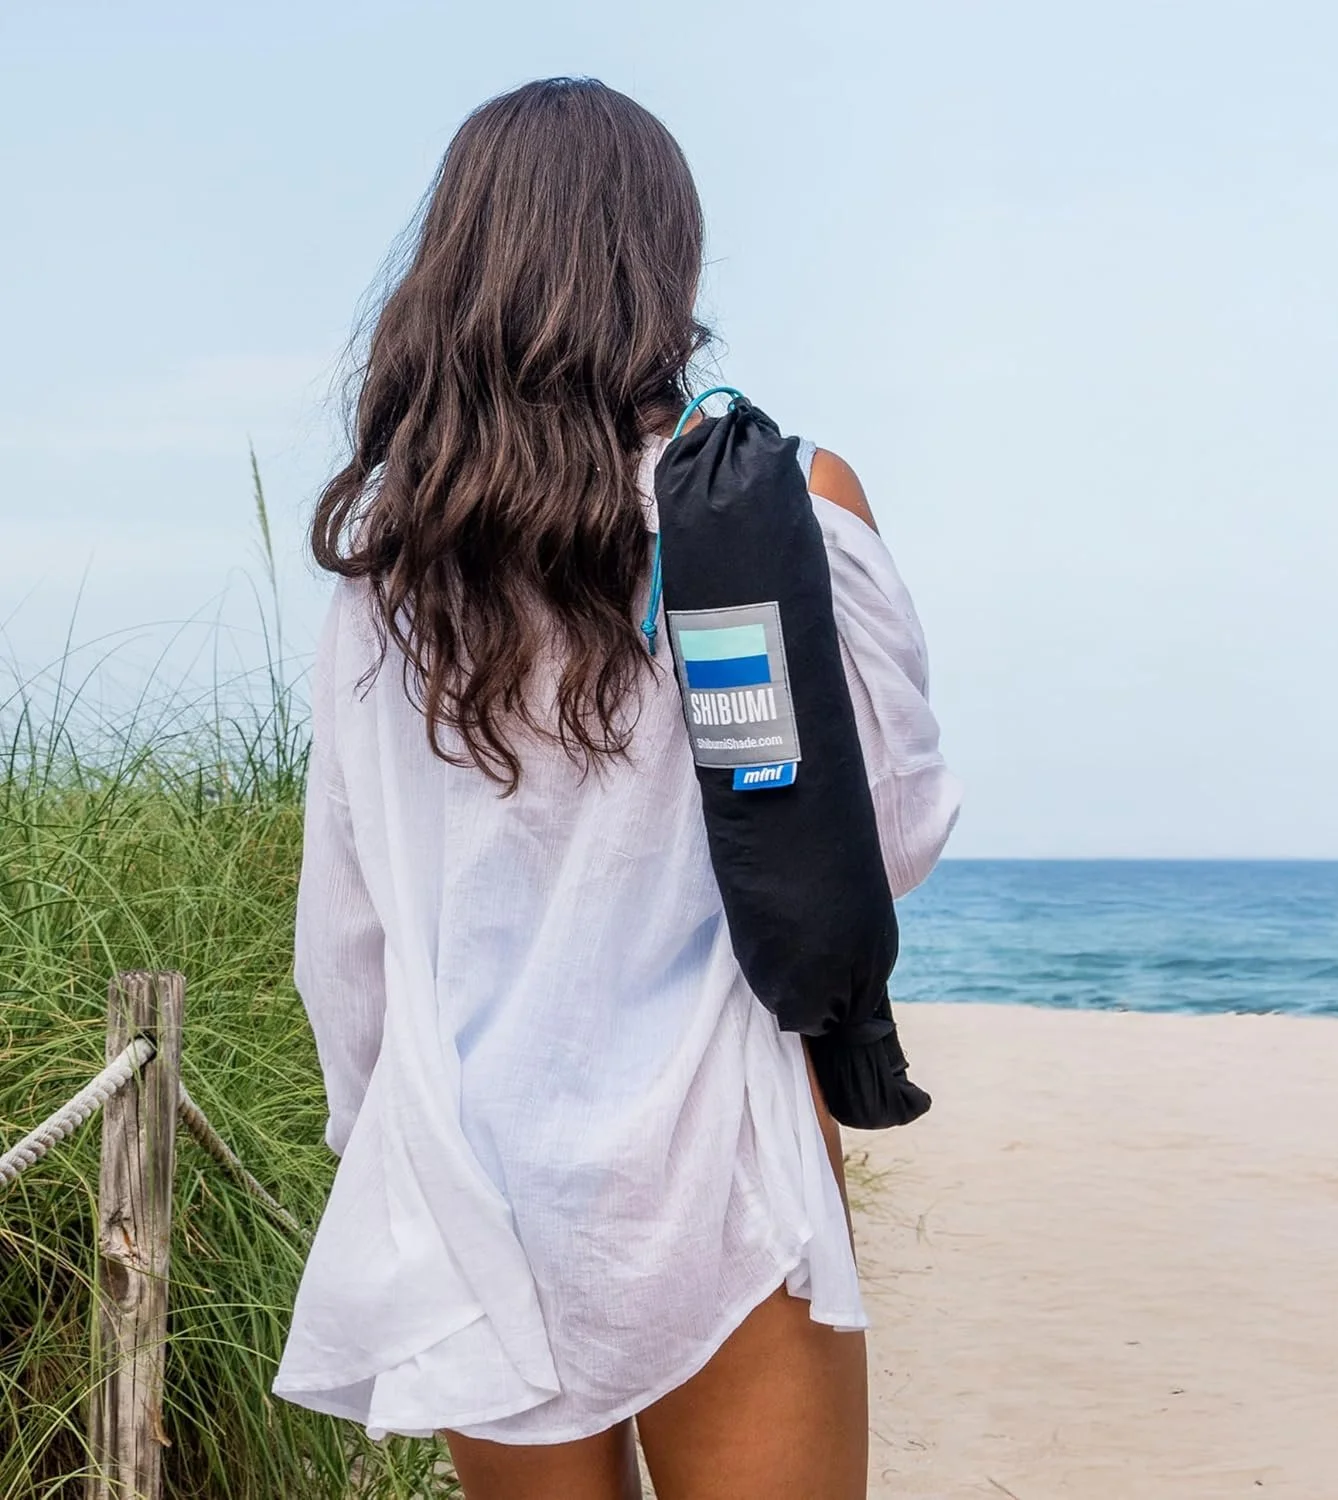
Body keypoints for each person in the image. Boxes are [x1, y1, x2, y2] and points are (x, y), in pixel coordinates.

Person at [271, 76, 960, 1500]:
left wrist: (385, 1154)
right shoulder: (778, 503)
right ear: (666, 266)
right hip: (718, 1167)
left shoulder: (389, 579)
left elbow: (346, 938)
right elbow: (887, 832)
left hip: (471, 1185)